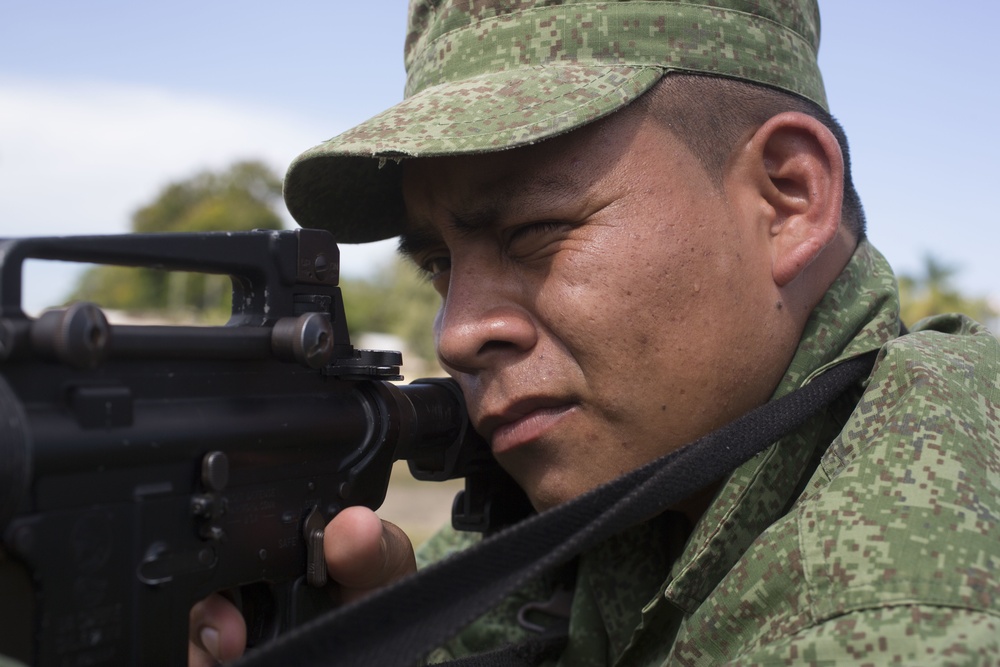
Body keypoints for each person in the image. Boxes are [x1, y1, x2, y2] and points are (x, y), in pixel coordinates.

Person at [190, 0, 1000, 664]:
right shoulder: (652, 478)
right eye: (437, 262)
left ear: (787, 199)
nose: (459, 332)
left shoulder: (906, 607)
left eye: (536, 231)